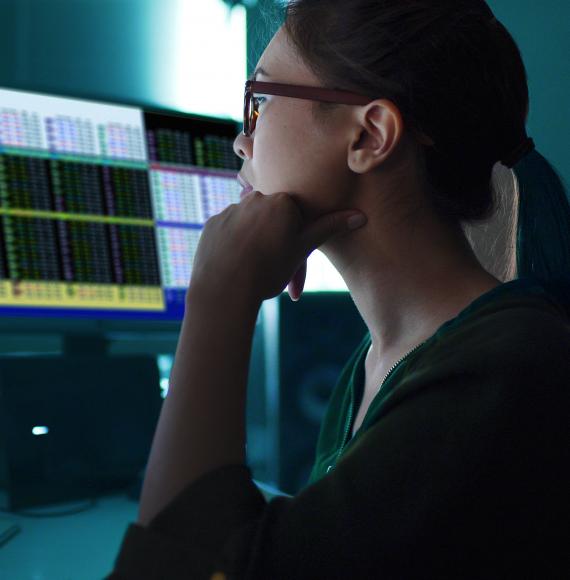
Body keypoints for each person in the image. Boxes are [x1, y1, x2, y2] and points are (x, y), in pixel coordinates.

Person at [107, 1, 570, 578]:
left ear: (369, 134)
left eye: (262, 101)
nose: (239, 142)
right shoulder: (375, 362)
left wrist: (219, 296)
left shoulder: (507, 369)